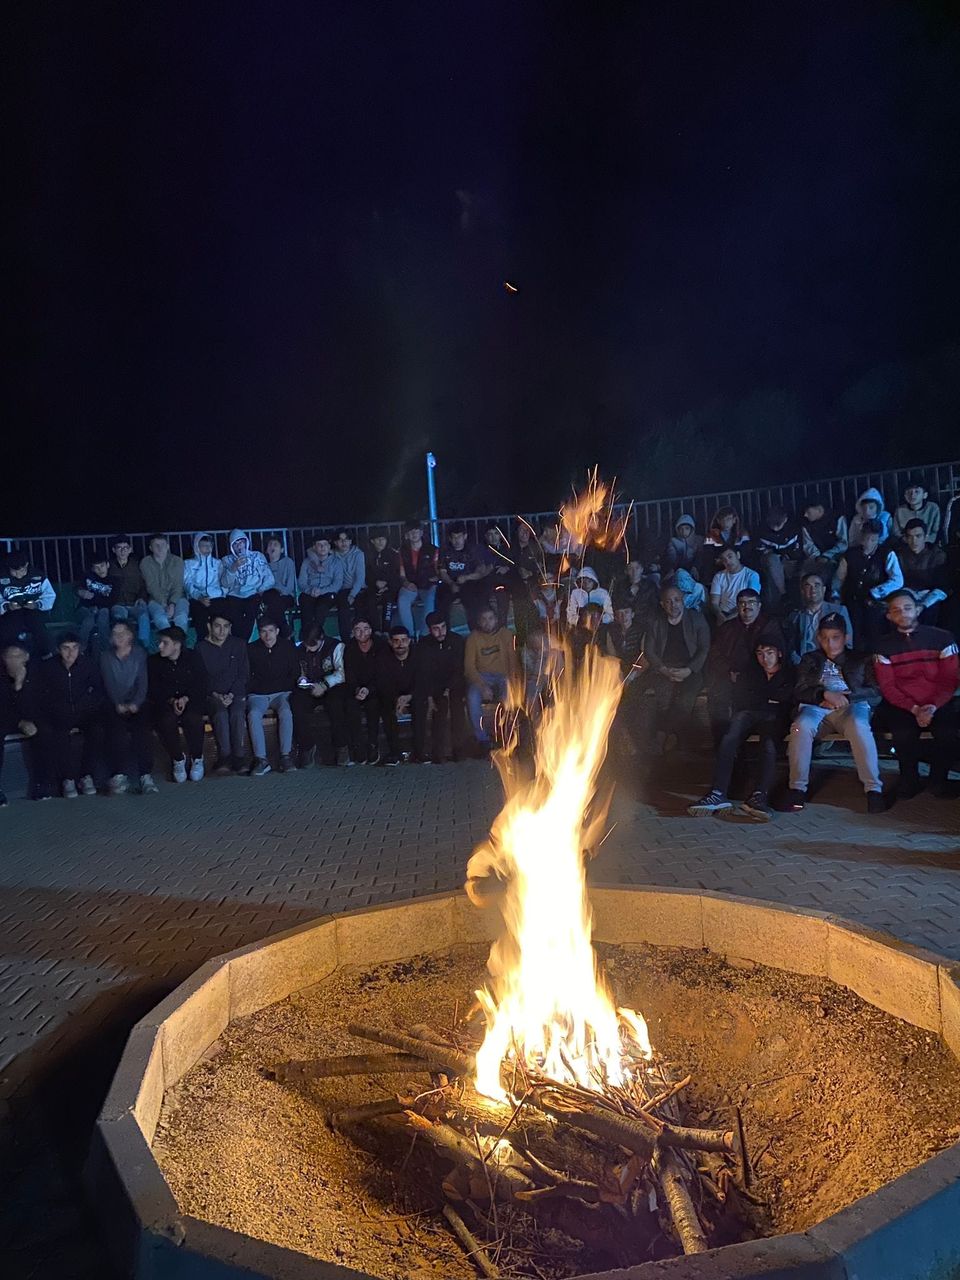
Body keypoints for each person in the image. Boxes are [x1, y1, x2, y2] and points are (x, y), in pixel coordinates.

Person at [786, 614, 884, 814]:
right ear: (819, 638)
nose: (830, 643)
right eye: (825, 637)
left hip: (850, 707)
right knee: (800, 727)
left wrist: (848, 696)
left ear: (845, 637)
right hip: (816, 707)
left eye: (835, 637)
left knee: (859, 726)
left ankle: (874, 789)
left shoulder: (860, 658)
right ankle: (797, 788)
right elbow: (800, 689)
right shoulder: (810, 659)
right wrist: (823, 694)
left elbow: (875, 690)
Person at [689, 638, 795, 821]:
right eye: (760, 654)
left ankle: (759, 795)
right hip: (749, 712)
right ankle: (717, 793)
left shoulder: (789, 673)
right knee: (729, 738)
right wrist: (768, 699)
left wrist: (765, 699)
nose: (765, 659)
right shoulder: (751, 671)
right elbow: (741, 697)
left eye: (769, 653)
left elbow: (787, 699)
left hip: (775, 717)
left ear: (779, 653)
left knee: (768, 744)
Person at [874, 590, 959, 799]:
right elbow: (888, 686)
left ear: (918, 610)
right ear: (889, 616)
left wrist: (932, 706)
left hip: (938, 701)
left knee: (948, 733)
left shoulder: (942, 638)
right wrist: (913, 708)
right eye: (896, 610)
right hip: (903, 704)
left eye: (907, 608)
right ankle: (909, 781)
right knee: (903, 733)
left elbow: (951, 679)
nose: (902, 613)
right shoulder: (884, 646)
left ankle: (938, 780)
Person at [637, 584, 711, 753]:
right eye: (668, 602)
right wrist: (663, 669)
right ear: (663, 605)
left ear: (683, 600)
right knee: (661, 698)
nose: (673, 605)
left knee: (685, 698)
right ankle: (672, 739)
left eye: (677, 600)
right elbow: (649, 650)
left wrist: (689, 669)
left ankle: (662, 735)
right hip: (664, 669)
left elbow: (704, 648)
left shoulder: (696, 619)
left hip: (691, 669)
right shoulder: (656, 622)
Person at [705, 589, 784, 743]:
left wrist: (748, 675)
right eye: (742, 603)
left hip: (759, 677)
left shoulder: (770, 626)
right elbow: (715, 655)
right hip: (730, 675)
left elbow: (774, 655)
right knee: (717, 697)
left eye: (751, 602)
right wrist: (729, 671)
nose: (747, 607)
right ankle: (722, 746)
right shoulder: (727, 628)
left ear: (759, 606)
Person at [39, 632, 106, 798]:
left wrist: (86, 704)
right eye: (66, 648)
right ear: (58, 649)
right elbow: (41, 694)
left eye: (75, 648)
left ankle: (86, 775)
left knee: (97, 731)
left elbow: (98, 690)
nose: (71, 653)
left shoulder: (88, 665)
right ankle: (67, 778)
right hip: (59, 713)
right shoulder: (48, 667)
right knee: (59, 735)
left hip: (84, 712)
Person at [100, 619, 157, 795]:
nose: (119, 637)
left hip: (137, 704)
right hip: (114, 704)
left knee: (142, 731)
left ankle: (145, 775)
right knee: (116, 732)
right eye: (115, 633)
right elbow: (108, 682)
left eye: (122, 633)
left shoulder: (140, 654)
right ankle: (119, 775)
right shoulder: (105, 657)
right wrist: (118, 704)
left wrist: (135, 704)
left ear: (130, 635)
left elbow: (143, 683)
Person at [147, 626, 208, 783]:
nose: (160, 646)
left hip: (192, 701)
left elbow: (201, 684)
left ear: (177, 644)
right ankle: (177, 759)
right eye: (160, 642)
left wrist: (186, 698)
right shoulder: (154, 661)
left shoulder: (193, 657)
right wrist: (172, 700)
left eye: (164, 643)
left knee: (194, 719)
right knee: (165, 721)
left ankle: (197, 757)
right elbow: (153, 688)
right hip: (165, 703)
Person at [834, 519, 903, 650]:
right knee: (854, 632)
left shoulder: (887, 554)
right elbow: (839, 579)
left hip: (876, 603)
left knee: (876, 630)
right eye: (866, 538)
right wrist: (836, 595)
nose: (868, 542)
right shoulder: (850, 555)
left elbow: (897, 580)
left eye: (873, 539)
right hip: (852, 601)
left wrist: (876, 592)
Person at [197, 610, 250, 774]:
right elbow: (201, 678)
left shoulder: (239, 644)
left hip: (235, 693)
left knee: (237, 713)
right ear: (209, 627)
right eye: (218, 626)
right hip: (212, 695)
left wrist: (232, 694)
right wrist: (216, 694)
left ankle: (239, 757)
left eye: (226, 627)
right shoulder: (200, 648)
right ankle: (224, 757)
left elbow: (243, 674)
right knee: (220, 714)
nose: (222, 631)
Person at [246, 619, 299, 776]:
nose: (267, 635)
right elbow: (247, 675)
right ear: (259, 633)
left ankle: (285, 756)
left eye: (270, 631)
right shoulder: (251, 649)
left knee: (286, 712)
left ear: (276, 631)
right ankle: (261, 759)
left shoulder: (287, 647)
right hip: (258, 694)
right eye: (263, 631)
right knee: (253, 714)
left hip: (282, 692)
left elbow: (294, 672)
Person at [412, 612, 467, 763]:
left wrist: (449, 688)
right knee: (439, 710)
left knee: (457, 710)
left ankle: (459, 751)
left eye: (443, 627)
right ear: (430, 629)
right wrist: (431, 694)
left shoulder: (456, 640)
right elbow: (423, 672)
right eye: (436, 628)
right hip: (433, 686)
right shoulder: (424, 645)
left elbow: (459, 668)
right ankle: (438, 752)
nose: (441, 631)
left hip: (454, 684)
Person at [292, 623, 347, 767]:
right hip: (310, 687)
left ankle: (341, 747)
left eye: (313, 644)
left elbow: (341, 673)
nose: (309, 648)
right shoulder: (299, 650)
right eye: (306, 644)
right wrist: (304, 682)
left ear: (321, 638)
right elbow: (300, 673)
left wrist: (324, 684)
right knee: (297, 704)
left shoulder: (335, 646)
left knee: (336, 705)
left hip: (331, 686)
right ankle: (307, 747)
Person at [464, 606, 519, 750]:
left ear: (496, 619)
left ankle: (507, 734)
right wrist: (482, 686)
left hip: (503, 675)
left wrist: (513, 681)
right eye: (483, 619)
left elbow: (512, 661)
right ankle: (482, 739)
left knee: (509, 694)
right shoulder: (473, 638)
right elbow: (469, 667)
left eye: (490, 618)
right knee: (472, 696)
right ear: (478, 621)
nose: (487, 622)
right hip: (483, 677)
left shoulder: (506, 634)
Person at [0, 642, 46, 802]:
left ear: (26, 658)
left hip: (29, 717)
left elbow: (36, 706)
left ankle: (42, 784)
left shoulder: (36, 674)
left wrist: (21, 685)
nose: (13, 660)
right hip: (6, 719)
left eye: (17, 656)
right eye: (9, 656)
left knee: (44, 731)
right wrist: (19, 722)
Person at [784, 574, 852, 665]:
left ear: (823, 589)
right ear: (802, 591)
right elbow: (791, 645)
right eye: (808, 586)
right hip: (804, 666)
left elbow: (848, 642)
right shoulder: (796, 616)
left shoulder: (839, 611)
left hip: (832, 665)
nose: (813, 590)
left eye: (817, 585)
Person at [220, 530, 275, 641]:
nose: (239, 545)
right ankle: (241, 644)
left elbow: (270, 578)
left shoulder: (257, 556)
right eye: (236, 543)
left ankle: (243, 643)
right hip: (234, 595)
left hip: (254, 593)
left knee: (251, 614)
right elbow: (224, 583)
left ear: (246, 542)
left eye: (241, 542)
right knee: (234, 618)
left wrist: (261, 589)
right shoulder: (226, 560)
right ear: (231, 546)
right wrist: (233, 568)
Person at [376, 625, 419, 764]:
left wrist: (409, 696)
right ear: (390, 642)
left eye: (404, 640)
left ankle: (419, 751)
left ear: (409, 641)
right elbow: (383, 683)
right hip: (392, 694)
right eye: (396, 641)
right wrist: (397, 699)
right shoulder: (383, 657)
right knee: (386, 708)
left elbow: (423, 680)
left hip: (414, 694)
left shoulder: (418, 655)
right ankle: (394, 752)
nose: (400, 644)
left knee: (421, 706)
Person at [0, 550, 56, 657]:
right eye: (14, 571)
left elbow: (49, 596)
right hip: (10, 614)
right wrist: (7, 606)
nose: (18, 575)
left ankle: (46, 655)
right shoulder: (2, 578)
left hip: (34, 611)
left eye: (21, 571)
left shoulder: (38, 576)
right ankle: (6, 656)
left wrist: (37, 604)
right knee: (7, 629)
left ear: (26, 565)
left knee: (39, 628)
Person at [343, 618, 383, 764]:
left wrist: (369, 689)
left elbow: (382, 673)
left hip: (376, 688)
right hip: (355, 689)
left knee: (374, 705)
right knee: (351, 706)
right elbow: (349, 672)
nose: (362, 632)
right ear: (353, 632)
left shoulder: (380, 646)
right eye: (358, 629)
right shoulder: (349, 648)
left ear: (371, 630)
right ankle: (358, 745)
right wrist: (357, 689)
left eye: (365, 628)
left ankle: (373, 744)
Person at [895, 520, 948, 623]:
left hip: (929, 594)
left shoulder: (937, 555)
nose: (914, 541)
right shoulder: (900, 555)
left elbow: (942, 587)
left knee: (930, 611)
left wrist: (923, 604)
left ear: (926, 536)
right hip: (907, 593)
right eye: (910, 537)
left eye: (918, 536)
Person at [437, 523, 488, 625]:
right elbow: (442, 572)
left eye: (459, 536)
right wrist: (451, 583)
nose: (457, 540)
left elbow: (480, 572)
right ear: (450, 539)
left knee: (472, 602)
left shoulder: (473, 551)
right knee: (442, 602)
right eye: (454, 537)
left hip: (468, 583)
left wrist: (466, 577)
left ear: (465, 536)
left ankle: (475, 630)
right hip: (449, 583)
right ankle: (445, 632)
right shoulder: (445, 551)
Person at [398, 520, 440, 638]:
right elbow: (402, 574)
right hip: (410, 584)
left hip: (427, 584)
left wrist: (436, 579)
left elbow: (438, 571)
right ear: (407, 534)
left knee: (430, 599)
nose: (414, 534)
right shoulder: (402, 551)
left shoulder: (432, 550)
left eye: (417, 531)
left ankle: (425, 635)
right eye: (411, 531)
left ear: (421, 533)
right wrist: (406, 583)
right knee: (402, 600)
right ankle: (409, 636)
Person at [756, 505, 803, 610]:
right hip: (771, 562)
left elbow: (797, 551)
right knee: (773, 560)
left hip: (790, 561)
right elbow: (761, 552)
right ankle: (783, 596)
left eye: (779, 525)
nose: (776, 529)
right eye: (773, 526)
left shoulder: (793, 530)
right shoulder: (762, 532)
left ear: (785, 519)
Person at [140, 534, 188, 635]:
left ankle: (180, 648)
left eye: (162, 544)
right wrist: (164, 603)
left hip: (178, 598)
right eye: (156, 545)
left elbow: (178, 585)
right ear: (150, 548)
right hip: (155, 599)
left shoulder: (177, 561)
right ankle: (168, 647)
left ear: (168, 546)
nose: (160, 548)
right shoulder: (145, 563)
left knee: (181, 619)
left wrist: (172, 603)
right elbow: (151, 586)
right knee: (161, 620)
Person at [297, 534, 343, 637]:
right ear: (314, 547)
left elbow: (337, 584)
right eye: (319, 545)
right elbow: (301, 582)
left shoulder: (336, 562)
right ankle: (305, 636)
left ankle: (315, 634)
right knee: (305, 603)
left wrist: (321, 591)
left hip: (327, 593)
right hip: (310, 592)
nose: (322, 547)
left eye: (325, 544)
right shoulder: (307, 562)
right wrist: (310, 590)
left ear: (329, 547)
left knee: (322, 607)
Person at [107, 534, 150, 644]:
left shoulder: (136, 565)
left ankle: (143, 646)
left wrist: (141, 598)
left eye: (125, 548)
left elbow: (143, 585)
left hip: (134, 603)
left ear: (130, 550)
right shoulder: (108, 566)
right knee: (120, 619)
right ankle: (124, 646)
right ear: (114, 550)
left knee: (144, 615)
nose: (122, 551)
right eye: (119, 548)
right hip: (117, 604)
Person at [183, 532, 225, 642]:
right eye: (204, 545)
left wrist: (218, 593)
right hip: (197, 599)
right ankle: (203, 649)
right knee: (201, 623)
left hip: (216, 598)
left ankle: (220, 647)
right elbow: (187, 584)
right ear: (197, 546)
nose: (208, 548)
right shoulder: (188, 564)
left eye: (210, 546)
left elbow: (224, 583)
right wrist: (199, 597)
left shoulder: (218, 563)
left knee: (220, 622)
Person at [799, 494, 847, 589]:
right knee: (805, 569)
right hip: (816, 558)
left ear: (819, 510)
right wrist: (817, 557)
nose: (805, 515)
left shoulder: (837, 519)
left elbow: (843, 543)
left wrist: (827, 555)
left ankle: (834, 595)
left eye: (808, 512)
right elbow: (808, 545)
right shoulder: (806, 525)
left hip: (837, 556)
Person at [75, 551, 117, 658]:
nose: (100, 569)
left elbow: (111, 600)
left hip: (103, 609)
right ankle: (80, 649)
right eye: (96, 567)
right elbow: (77, 588)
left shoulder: (114, 580)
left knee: (104, 613)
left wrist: (96, 603)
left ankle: (105, 650)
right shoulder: (87, 577)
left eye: (102, 566)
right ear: (93, 568)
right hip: (85, 609)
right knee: (89, 619)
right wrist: (80, 591)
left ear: (107, 565)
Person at [362, 528, 402, 634]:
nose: (381, 542)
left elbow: (396, 574)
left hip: (390, 588)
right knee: (370, 601)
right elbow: (365, 574)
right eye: (378, 539)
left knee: (388, 600)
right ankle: (375, 631)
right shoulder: (367, 555)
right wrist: (375, 583)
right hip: (372, 588)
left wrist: (387, 585)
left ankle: (386, 631)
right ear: (372, 541)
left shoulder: (393, 554)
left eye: (383, 539)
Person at [709, 548, 761, 624]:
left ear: (738, 555)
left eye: (730, 557)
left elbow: (751, 601)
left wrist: (729, 619)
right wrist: (720, 615)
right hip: (723, 613)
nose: (728, 562)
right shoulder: (719, 576)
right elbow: (714, 603)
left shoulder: (752, 575)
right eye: (724, 560)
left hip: (744, 612)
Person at [700, 506, 751, 581]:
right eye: (722, 520)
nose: (726, 523)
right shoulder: (712, 536)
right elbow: (708, 555)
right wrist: (721, 560)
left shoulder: (742, 534)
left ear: (734, 520)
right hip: (719, 569)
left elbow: (747, 553)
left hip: (739, 569)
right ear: (718, 521)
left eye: (728, 519)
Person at [333, 529, 366, 641]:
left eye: (346, 540)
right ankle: (346, 639)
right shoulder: (332, 554)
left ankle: (362, 637)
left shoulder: (358, 554)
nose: (344, 543)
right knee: (343, 607)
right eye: (340, 540)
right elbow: (311, 551)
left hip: (358, 588)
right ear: (335, 542)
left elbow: (360, 577)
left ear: (351, 541)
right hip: (341, 590)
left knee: (361, 605)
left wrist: (353, 594)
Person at [261, 535, 297, 635]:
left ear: (282, 549)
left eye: (275, 545)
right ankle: (285, 630)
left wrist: (279, 590)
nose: (272, 547)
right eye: (270, 545)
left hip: (286, 596)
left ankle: (278, 633)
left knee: (274, 605)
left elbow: (290, 586)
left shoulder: (288, 562)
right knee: (272, 595)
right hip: (269, 596)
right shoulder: (263, 565)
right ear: (266, 550)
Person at [610, 559, 659, 630]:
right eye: (630, 568)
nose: (634, 572)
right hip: (626, 623)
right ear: (626, 571)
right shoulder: (620, 586)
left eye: (637, 568)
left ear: (642, 569)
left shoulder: (650, 586)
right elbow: (617, 605)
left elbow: (654, 607)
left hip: (645, 624)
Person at [892, 477, 941, 545]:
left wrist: (923, 542)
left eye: (917, 492)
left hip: (928, 545)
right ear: (905, 495)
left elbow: (935, 531)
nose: (912, 495)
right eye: (909, 492)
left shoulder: (933, 508)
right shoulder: (899, 511)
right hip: (906, 546)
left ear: (925, 495)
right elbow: (896, 532)